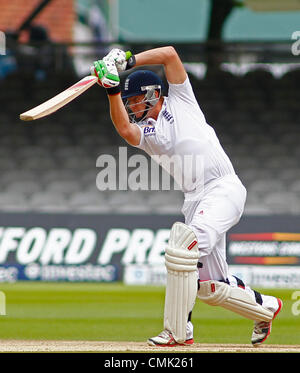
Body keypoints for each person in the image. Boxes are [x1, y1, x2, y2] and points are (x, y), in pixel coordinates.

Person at [91, 46, 282, 347]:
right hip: (195, 200)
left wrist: (127, 60)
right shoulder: (147, 133)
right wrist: (112, 91)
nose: (130, 107)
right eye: (127, 102)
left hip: (223, 188)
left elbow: (169, 55)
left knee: (183, 246)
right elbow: (126, 130)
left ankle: (178, 332)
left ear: (153, 93)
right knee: (210, 287)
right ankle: (266, 307)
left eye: (134, 100)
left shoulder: (181, 99)